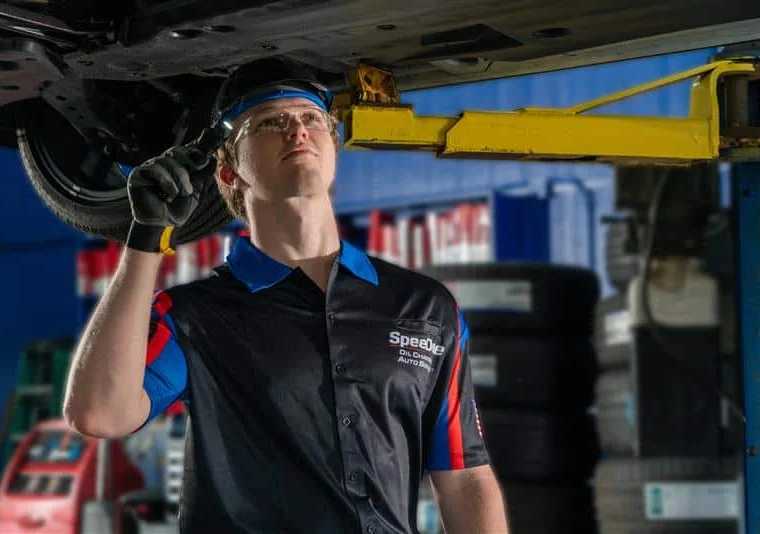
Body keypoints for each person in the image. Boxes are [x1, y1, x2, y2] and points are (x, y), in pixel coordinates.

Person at [62, 56, 508, 534]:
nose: (297, 130)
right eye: (271, 122)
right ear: (229, 172)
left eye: (311, 118)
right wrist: (147, 234)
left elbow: (464, 480)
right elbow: (99, 413)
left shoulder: (426, 309)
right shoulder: (195, 318)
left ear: (333, 150)